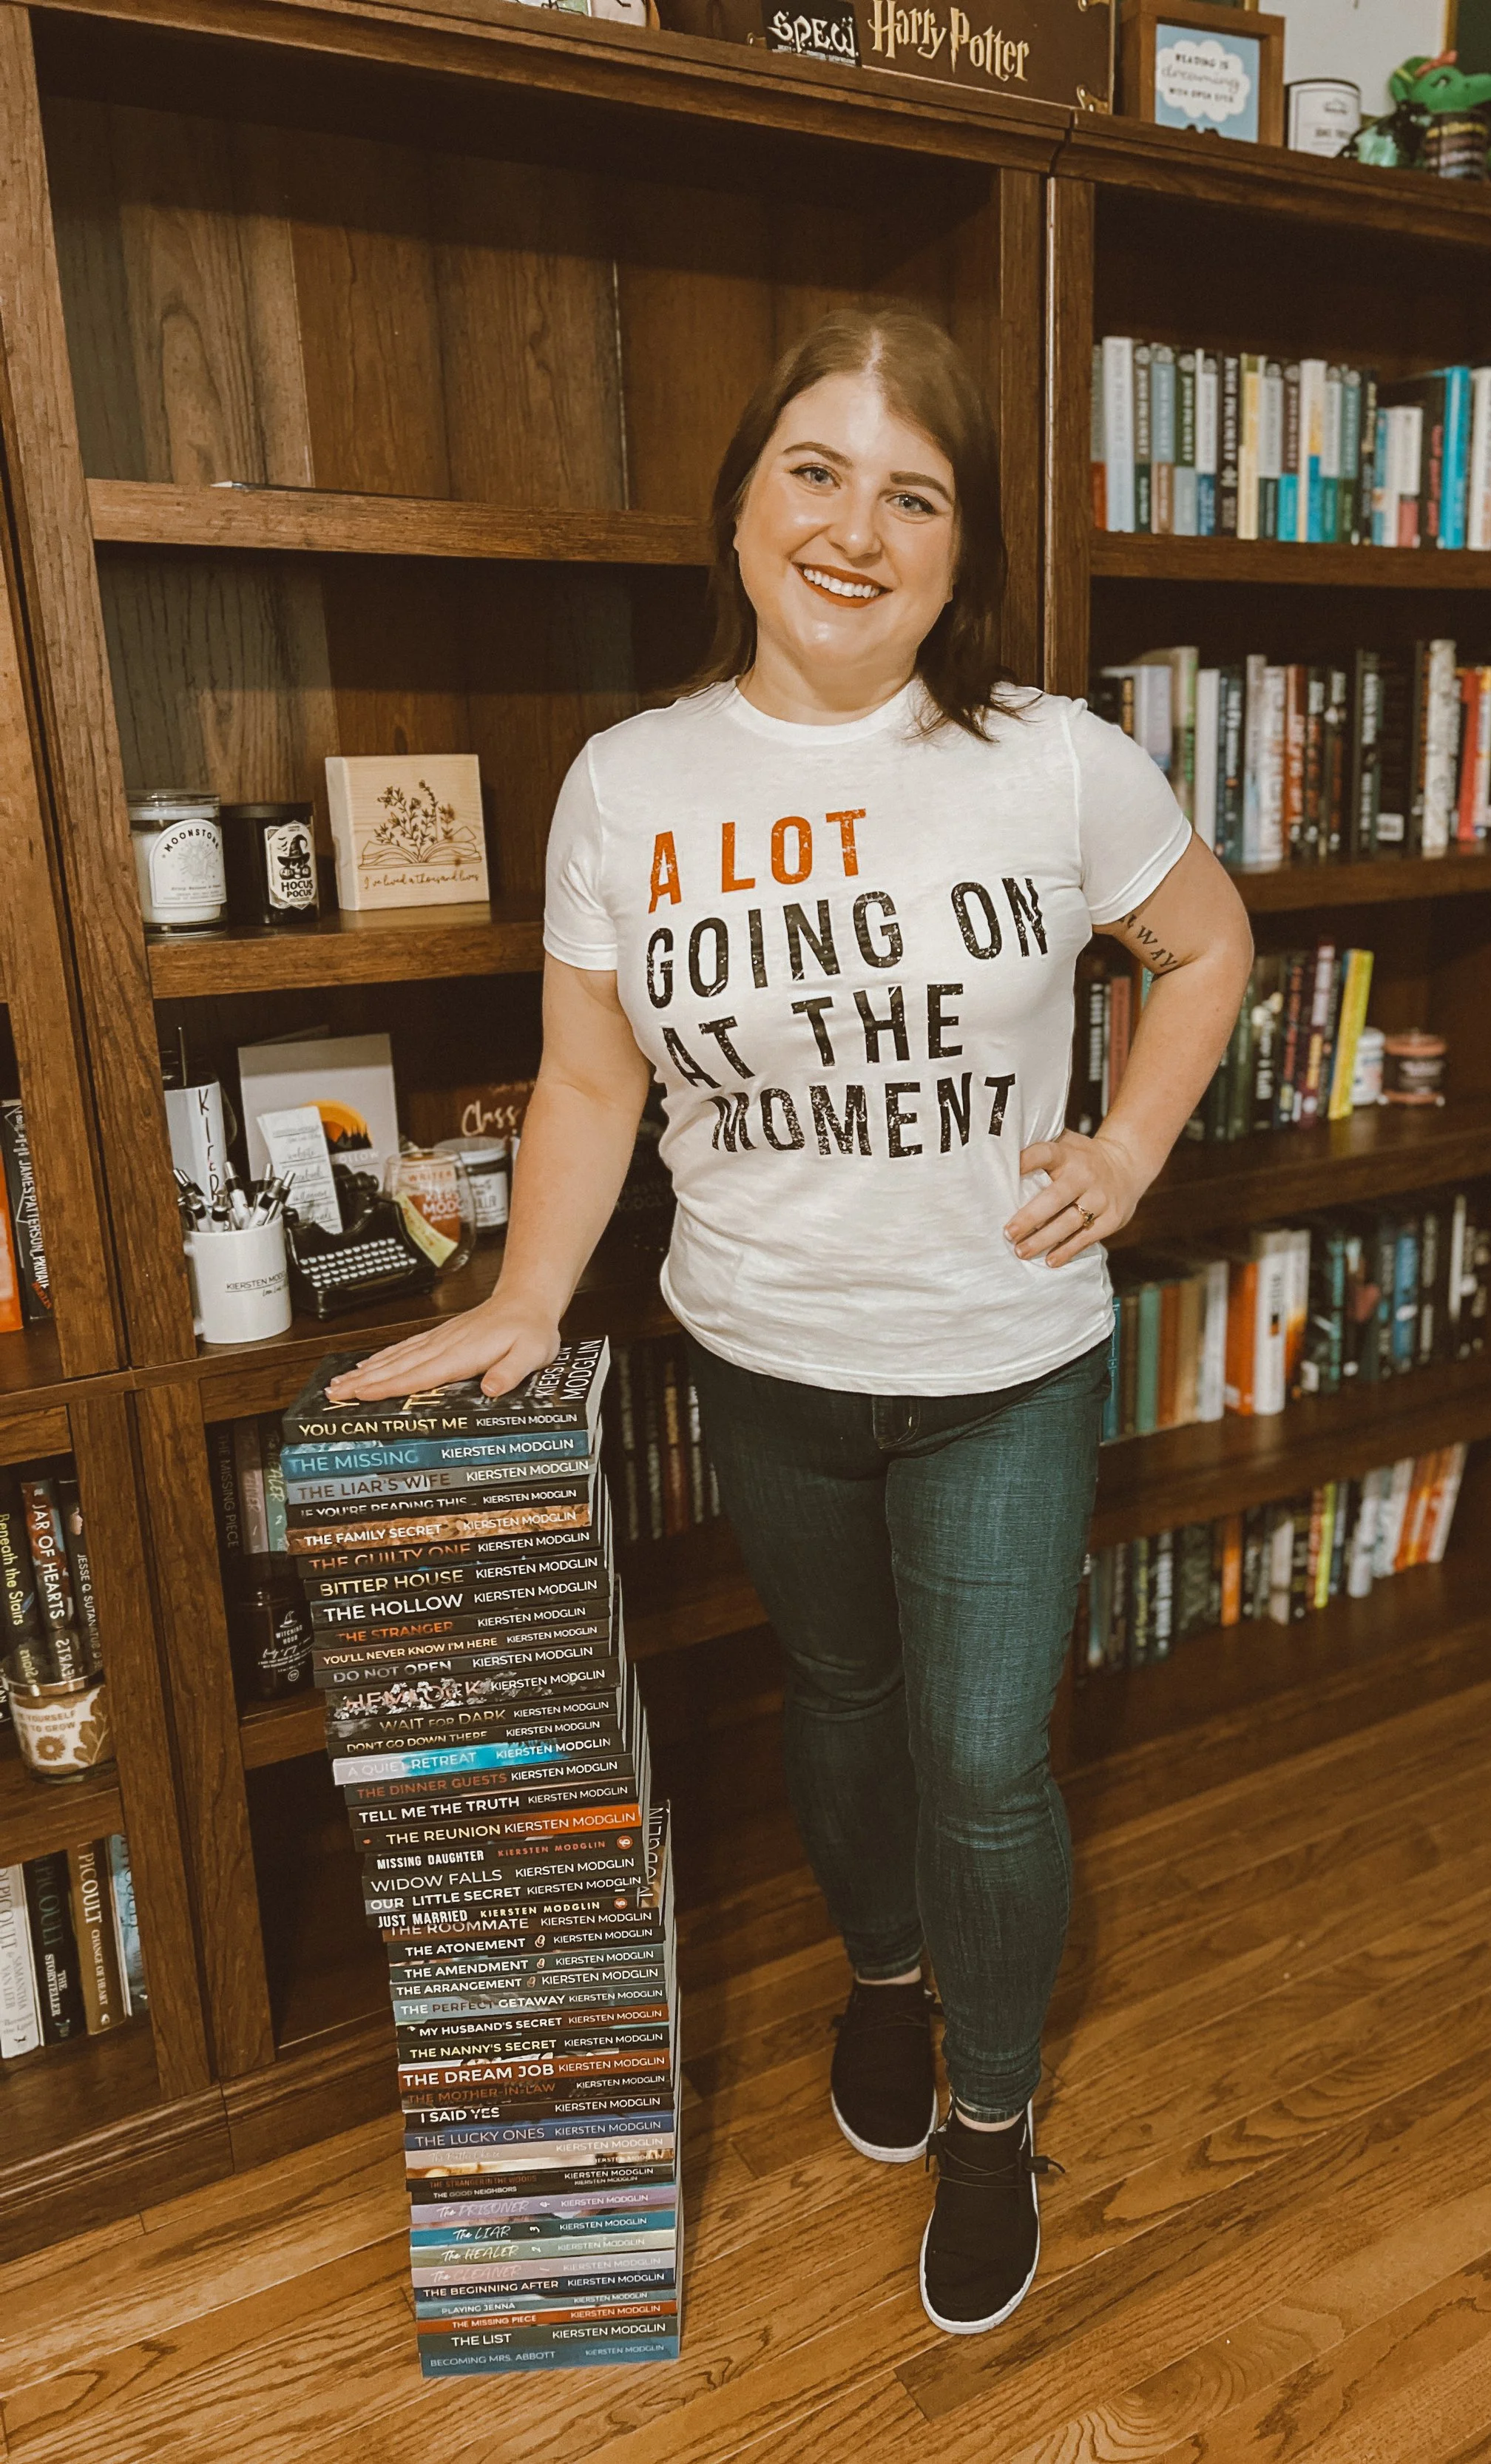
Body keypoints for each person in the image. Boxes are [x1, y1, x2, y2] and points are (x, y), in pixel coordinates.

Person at [329, 309, 1252, 2337]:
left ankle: (994, 2120)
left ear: (959, 546)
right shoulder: (628, 784)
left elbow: (1205, 943)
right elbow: (591, 1082)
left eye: (909, 492)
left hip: (1004, 1358)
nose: (854, 528)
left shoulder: (1054, 760)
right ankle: (887, 1985)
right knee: (833, 1702)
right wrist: (518, 1298)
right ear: (740, 508)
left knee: (983, 1752)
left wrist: (1127, 1147)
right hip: (759, 1354)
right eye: (813, 474)